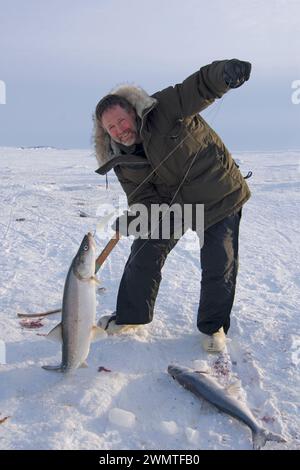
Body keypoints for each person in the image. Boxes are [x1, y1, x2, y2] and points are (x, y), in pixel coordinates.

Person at [93, 59, 252, 353]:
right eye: (111, 127)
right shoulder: (121, 161)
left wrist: (224, 74)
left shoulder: (163, 108)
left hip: (217, 192)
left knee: (219, 262)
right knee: (145, 249)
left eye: (122, 121)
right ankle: (131, 316)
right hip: (174, 204)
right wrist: (134, 219)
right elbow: (144, 201)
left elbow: (200, 85)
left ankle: (212, 327)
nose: (119, 130)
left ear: (133, 111)